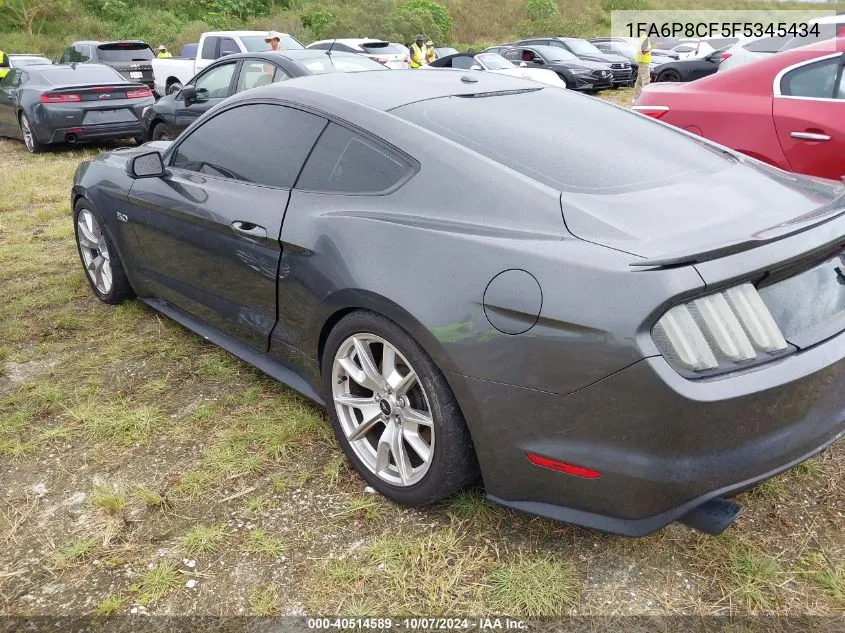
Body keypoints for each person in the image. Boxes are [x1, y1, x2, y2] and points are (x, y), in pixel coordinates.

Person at [633, 33, 652, 102]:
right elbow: (643, 51)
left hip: (641, 61)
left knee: (639, 81)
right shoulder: (646, 38)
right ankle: (646, 99)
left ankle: (636, 98)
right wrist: (653, 47)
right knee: (646, 81)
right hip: (644, 61)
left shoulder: (643, 37)